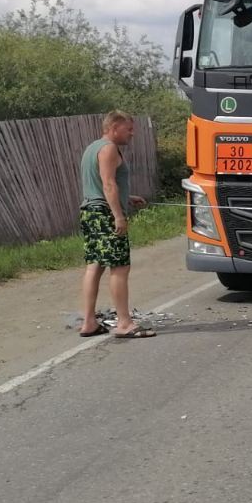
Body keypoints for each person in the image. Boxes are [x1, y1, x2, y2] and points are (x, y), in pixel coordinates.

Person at [77, 111, 155, 339]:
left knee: (95, 265)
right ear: (113, 127)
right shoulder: (110, 148)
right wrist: (118, 216)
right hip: (104, 213)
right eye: (128, 129)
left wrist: (128, 197)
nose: (132, 133)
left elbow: (100, 183)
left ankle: (89, 322)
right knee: (120, 267)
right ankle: (124, 323)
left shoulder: (93, 147)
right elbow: (108, 184)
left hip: (90, 211)